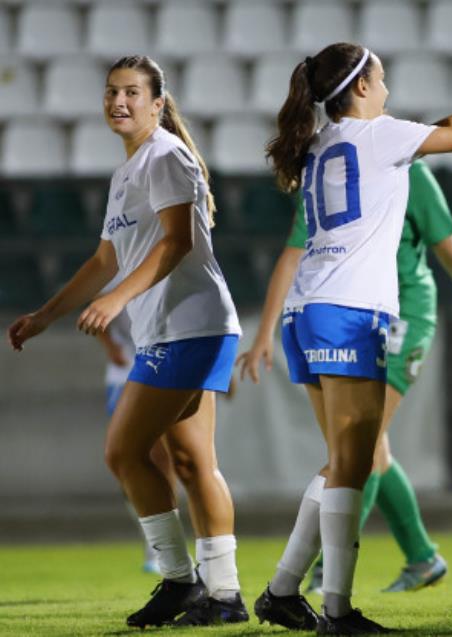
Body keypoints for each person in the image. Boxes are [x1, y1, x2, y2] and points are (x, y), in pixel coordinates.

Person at [252, 43, 452, 634]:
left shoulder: (326, 141)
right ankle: (335, 609)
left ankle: (283, 591)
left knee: (344, 461)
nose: (389, 87)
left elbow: (412, 141)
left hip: (307, 311)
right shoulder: (381, 137)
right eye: (383, 77)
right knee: (353, 464)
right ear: (364, 87)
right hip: (350, 312)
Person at [7, 55, 246, 627]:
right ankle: (225, 595)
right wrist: (46, 314)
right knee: (192, 462)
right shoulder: (130, 170)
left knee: (122, 451)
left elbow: (176, 243)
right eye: (112, 92)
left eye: (133, 93)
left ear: (158, 104)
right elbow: (104, 260)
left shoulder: (164, 155)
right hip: (177, 327)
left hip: (192, 324)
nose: (119, 101)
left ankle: (179, 582)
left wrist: (115, 300)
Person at [237, 159, 452, 597]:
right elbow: (292, 252)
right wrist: (264, 332)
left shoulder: (408, 171)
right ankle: (422, 556)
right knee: (370, 448)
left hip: (404, 314)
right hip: (356, 318)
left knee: (361, 445)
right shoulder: (328, 173)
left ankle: (322, 570)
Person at [96, 294, 178, 576]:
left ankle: (162, 547)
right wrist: (110, 346)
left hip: (164, 368)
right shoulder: (116, 265)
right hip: (125, 374)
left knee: (166, 459)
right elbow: (94, 307)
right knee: (126, 459)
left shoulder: (168, 258)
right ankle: (155, 539)